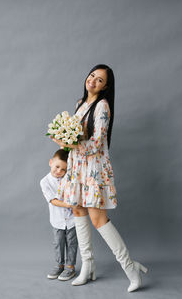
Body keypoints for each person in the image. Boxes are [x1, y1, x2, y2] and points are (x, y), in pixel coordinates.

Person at [51, 64, 148, 292]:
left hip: (93, 169)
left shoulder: (102, 106)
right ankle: (88, 266)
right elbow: (76, 134)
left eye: (100, 80)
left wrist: (69, 143)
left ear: (106, 87)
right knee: (77, 211)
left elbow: (95, 145)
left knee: (99, 220)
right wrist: (64, 141)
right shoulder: (79, 104)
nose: (93, 81)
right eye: (92, 75)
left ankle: (130, 269)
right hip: (77, 168)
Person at [40, 149, 78, 281]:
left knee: (72, 243)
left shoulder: (68, 178)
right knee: (58, 243)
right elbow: (53, 201)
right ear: (51, 162)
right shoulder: (45, 182)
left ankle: (70, 267)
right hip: (57, 220)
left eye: (63, 169)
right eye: (57, 167)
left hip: (72, 220)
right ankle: (59, 265)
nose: (59, 171)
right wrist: (69, 205)